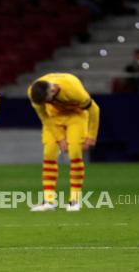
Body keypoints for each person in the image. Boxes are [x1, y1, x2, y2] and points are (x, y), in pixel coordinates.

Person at [28, 73, 100, 212]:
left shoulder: (74, 92)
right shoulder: (34, 93)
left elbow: (94, 109)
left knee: (74, 154)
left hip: (76, 116)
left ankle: (75, 200)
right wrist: (60, 138)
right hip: (53, 118)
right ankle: (49, 201)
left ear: (53, 90)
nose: (46, 103)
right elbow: (45, 118)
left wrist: (91, 136)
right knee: (49, 153)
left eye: (47, 100)